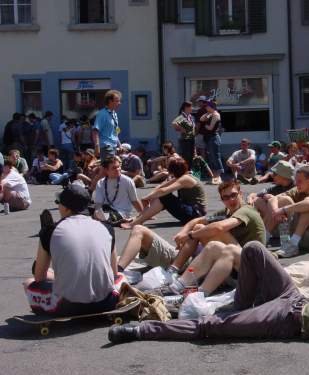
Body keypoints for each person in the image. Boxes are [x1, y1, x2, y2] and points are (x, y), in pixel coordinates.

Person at [108, 241, 309, 345]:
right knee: (252, 249)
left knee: (213, 328)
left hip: (287, 320)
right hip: (293, 297)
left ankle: (140, 331)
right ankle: (239, 306)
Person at [165, 232, 309, 298]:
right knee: (216, 246)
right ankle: (180, 286)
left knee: (239, 250)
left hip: (283, 288)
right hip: (272, 277)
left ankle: (198, 296)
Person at [23, 184, 119, 316]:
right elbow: (114, 273)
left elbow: (39, 277)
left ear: (66, 208)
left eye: (59, 203)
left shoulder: (50, 231)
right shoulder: (107, 228)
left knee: (29, 283)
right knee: (121, 278)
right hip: (107, 302)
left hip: (67, 306)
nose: (58, 207)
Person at [162, 179, 266, 283]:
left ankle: (183, 279)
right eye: (226, 197)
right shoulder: (227, 212)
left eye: (234, 195)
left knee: (212, 232)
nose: (231, 200)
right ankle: (173, 270)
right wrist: (182, 234)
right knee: (199, 228)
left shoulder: (246, 210)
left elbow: (219, 227)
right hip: (234, 261)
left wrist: (189, 236)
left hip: (250, 267)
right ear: (222, 199)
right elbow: (196, 220)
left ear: (241, 194)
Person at [268, 166, 309, 257]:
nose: (296, 184)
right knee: (284, 200)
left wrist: (283, 210)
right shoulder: (297, 189)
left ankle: (293, 244)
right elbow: (273, 199)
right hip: (303, 237)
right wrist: (276, 211)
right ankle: (268, 240)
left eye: (299, 181)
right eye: (296, 181)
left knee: (307, 203)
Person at [122, 157, 207, 228]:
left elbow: (163, 191)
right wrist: (148, 197)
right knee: (161, 195)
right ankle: (139, 218)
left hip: (196, 214)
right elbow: (160, 187)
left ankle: (137, 222)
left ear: (173, 171)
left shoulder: (186, 179)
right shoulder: (181, 177)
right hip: (191, 212)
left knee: (164, 197)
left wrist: (147, 198)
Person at [92, 89, 122, 161]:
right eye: (117, 101)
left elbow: (116, 131)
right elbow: (95, 131)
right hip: (106, 146)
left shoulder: (114, 114)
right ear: (110, 101)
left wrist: (119, 144)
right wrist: (97, 146)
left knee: (108, 169)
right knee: (110, 168)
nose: (119, 103)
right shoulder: (102, 114)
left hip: (114, 146)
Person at [200, 101, 223, 185]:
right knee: (211, 157)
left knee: (215, 156)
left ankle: (219, 175)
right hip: (209, 138)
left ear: (211, 107)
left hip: (214, 138)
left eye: (207, 106)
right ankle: (214, 176)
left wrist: (204, 125)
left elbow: (210, 128)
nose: (206, 108)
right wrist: (207, 113)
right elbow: (201, 119)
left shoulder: (216, 115)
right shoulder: (210, 114)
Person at [172, 101, 196, 168]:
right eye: (191, 107)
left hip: (191, 138)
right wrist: (181, 129)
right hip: (185, 139)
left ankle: (189, 170)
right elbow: (174, 123)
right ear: (186, 107)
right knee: (186, 155)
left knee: (191, 155)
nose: (192, 108)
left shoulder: (190, 117)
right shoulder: (182, 116)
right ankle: (185, 170)